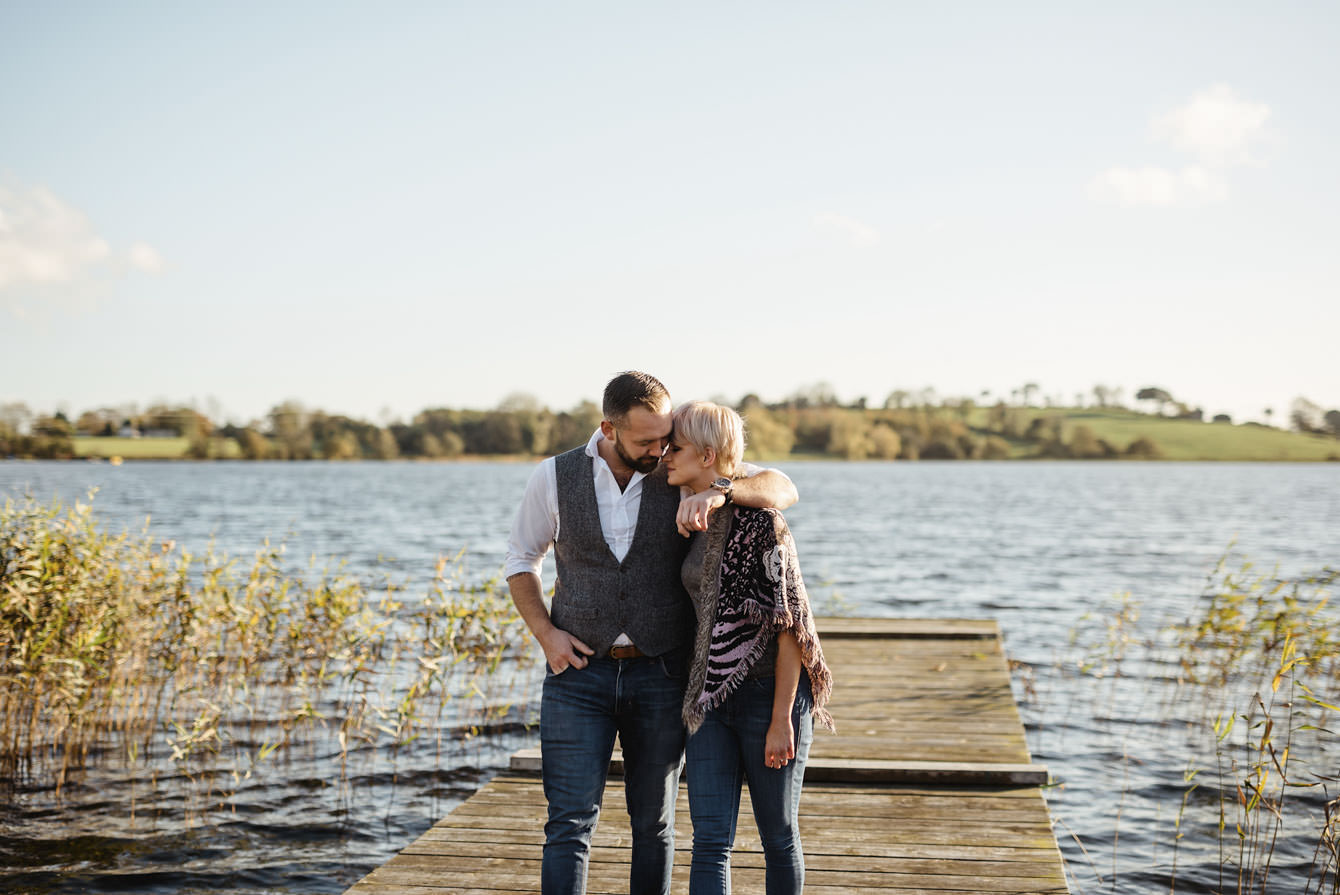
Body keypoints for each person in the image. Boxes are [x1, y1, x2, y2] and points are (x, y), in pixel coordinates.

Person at [504, 372, 798, 895]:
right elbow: (522, 560)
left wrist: (722, 492)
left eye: (665, 438)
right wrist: (546, 634)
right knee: (568, 823)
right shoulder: (553, 476)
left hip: (661, 672)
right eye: (646, 441)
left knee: (654, 824)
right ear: (608, 429)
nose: (659, 450)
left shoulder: (682, 472)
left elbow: (782, 487)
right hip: (577, 676)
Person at [661, 400, 833, 895]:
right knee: (710, 840)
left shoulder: (763, 524)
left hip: (767, 698)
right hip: (711, 695)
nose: (665, 456)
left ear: (709, 454)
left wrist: (782, 719)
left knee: (778, 836)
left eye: (676, 447)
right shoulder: (686, 510)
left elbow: (790, 629)